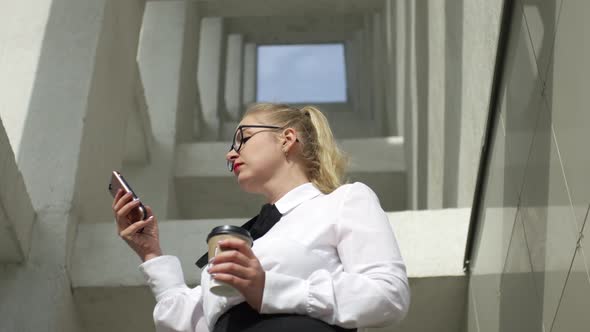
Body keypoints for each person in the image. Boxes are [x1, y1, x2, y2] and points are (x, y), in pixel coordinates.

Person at [112, 103, 410, 332]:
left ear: (287, 139)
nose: (230, 154)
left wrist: (270, 288)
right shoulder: (249, 236)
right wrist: (150, 253)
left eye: (243, 138)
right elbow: (186, 323)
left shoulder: (344, 201)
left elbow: (389, 294)